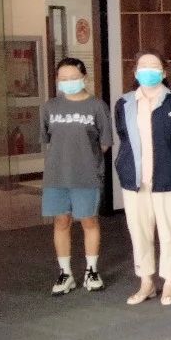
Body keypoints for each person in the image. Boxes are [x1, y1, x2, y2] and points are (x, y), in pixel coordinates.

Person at [114, 52, 171, 306]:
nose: (148, 70)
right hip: (135, 179)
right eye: (143, 66)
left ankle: (170, 281)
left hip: (168, 177)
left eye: (154, 66)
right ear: (135, 71)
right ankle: (146, 282)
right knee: (139, 231)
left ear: (164, 72)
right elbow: (124, 137)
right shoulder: (124, 103)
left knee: (170, 231)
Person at [41, 58, 112, 296]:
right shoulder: (49, 107)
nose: (68, 82)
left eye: (73, 78)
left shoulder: (97, 106)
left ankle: (92, 271)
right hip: (56, 176)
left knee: (89, 221)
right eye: (63, 79)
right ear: (57, 80)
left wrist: (84, 158)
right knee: (61, 222)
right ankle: (65, 273)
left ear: (84, 78)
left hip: (86, 175)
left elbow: (104, 143)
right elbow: (47, 140)